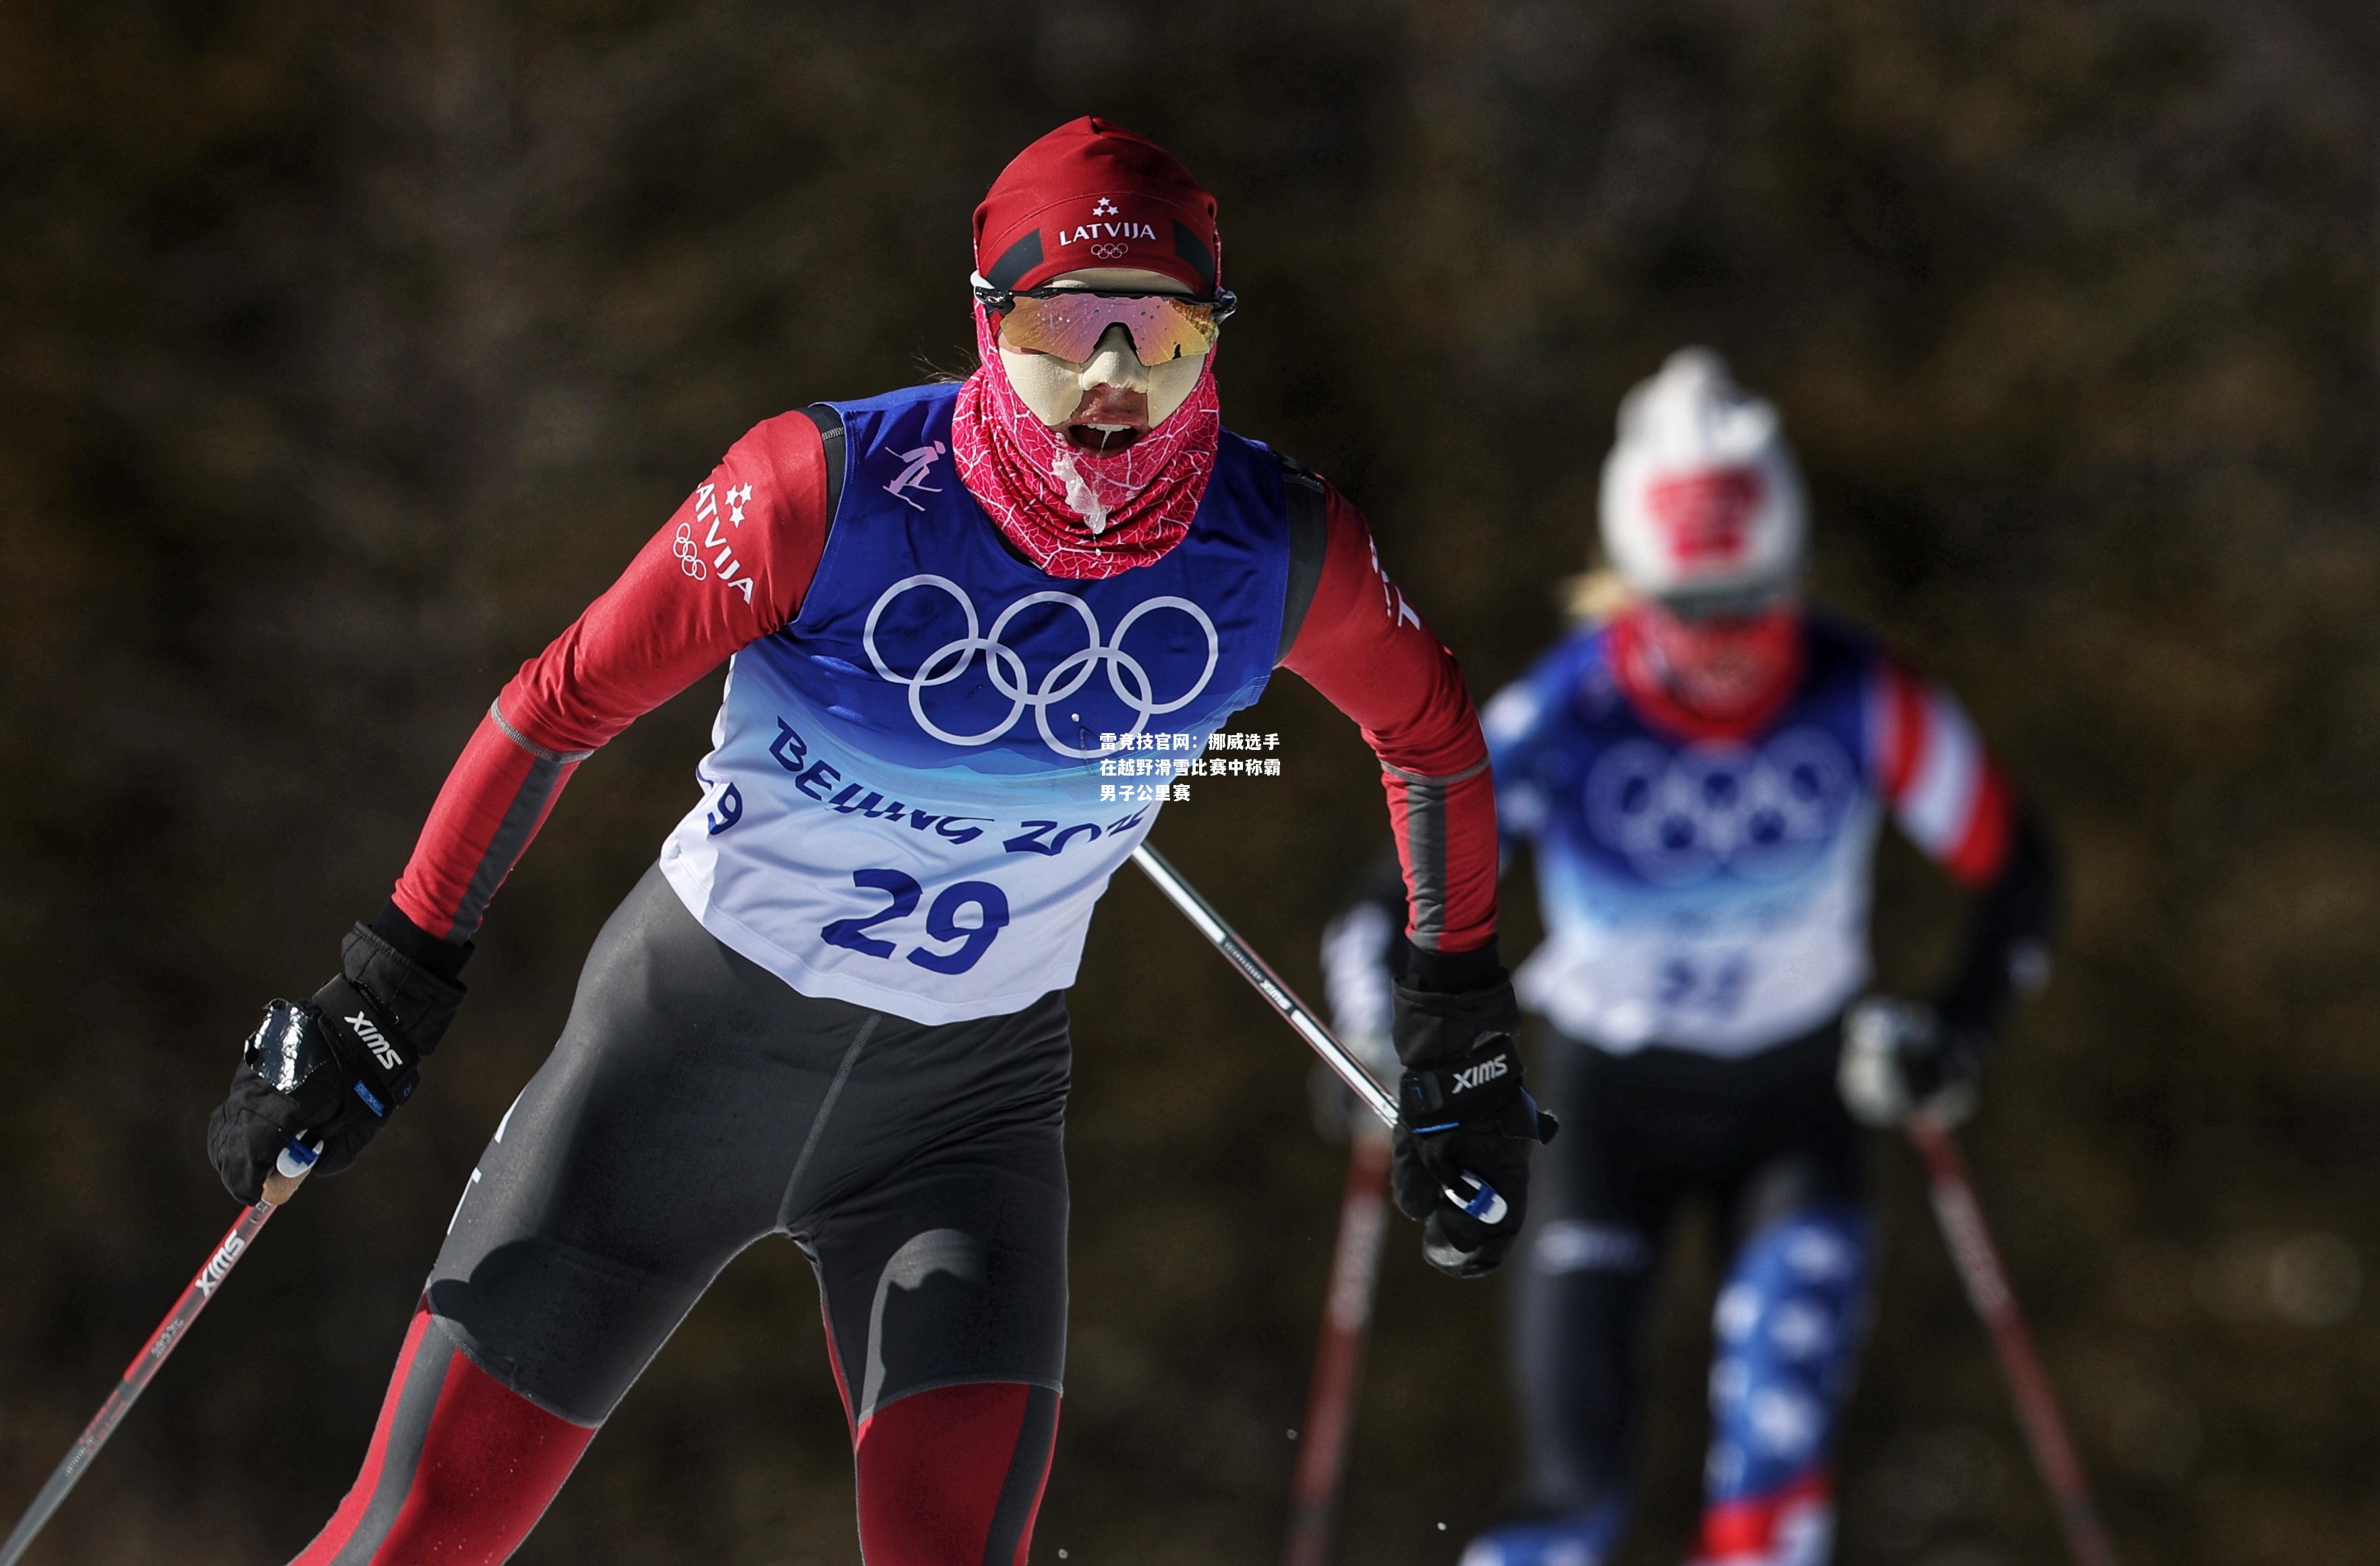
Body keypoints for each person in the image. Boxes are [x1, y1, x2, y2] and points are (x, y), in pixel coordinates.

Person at [203, 118, 1552, 1566]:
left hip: (961, 1125)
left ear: (1212, 343)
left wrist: (1455, 1024)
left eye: (1155, 334)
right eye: (1060, 328)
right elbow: (555, 708)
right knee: (413, 1543)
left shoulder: (1273, 549)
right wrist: (389, 985)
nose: (1108, 381)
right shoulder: (820, 492)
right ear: (988, 325)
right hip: (673, 1075)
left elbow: (1432, 737)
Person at [1318, 349, 2058, 1566]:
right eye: (1687, 613)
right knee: (1572, 1494)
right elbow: (1385, 894)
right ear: (1626, 588)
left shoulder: (1861, 696)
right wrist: (1371, 1036)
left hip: (1796, 1113)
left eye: (1752, 606)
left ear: (1793, 575)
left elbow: (2016, 868)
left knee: (1769, 1503)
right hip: (1602, 1113)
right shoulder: (1564, 714)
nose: (1723, 650)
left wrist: (1954, 1029)